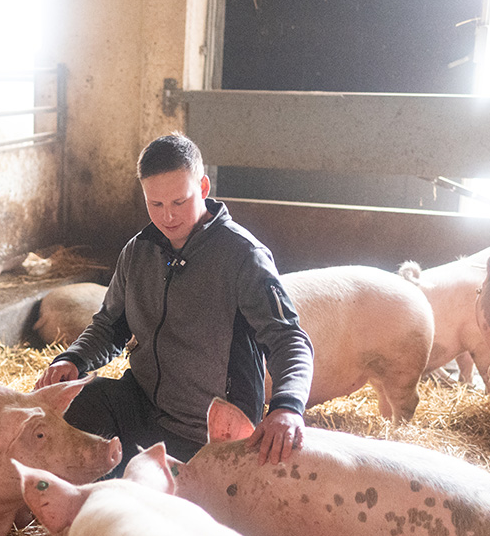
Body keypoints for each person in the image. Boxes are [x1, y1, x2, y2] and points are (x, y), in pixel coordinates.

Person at [35, 133, 313, 470]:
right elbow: (109, 326)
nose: (168, 217)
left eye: (179, 202)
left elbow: (290, 340)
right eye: (156, 204)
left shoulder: (243, 257)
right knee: (71, 410)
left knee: (152, 497)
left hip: (209, 430)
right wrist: (74, 360)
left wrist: (287, 406)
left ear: (204, 188)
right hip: (141, 404)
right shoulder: (138, 252)